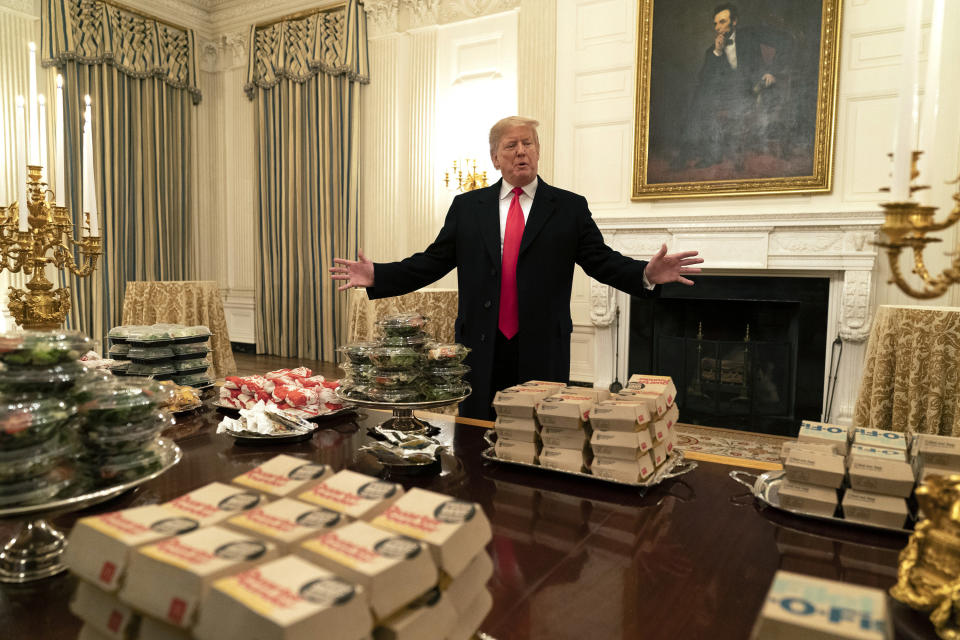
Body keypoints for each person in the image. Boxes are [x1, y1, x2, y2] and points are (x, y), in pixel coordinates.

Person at [331, 116, 703, 419]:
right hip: (481, 343)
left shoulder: (569, 208)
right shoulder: (468, 207)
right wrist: (378, 274)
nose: (521, 151)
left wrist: (644, 274)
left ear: (538, 152)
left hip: (542, 343)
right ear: (495, 157)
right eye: (511, 145)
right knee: (478, 429)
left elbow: (600, 261)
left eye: (529, 144)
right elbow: (432, 262)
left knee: (541, 429)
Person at [677, 4, 786, 170]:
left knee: (702, 99)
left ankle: (686, 153)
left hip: (753, 91)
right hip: (728, 97)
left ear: (734, 21)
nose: (718, 27)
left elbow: (785, 42)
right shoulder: (711, 51)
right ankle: (705, 154)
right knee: (702, 96)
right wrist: (718, 53)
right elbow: (704, 80)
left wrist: (772, 72)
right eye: (715, 24)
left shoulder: (751, 36)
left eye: (722, 22)